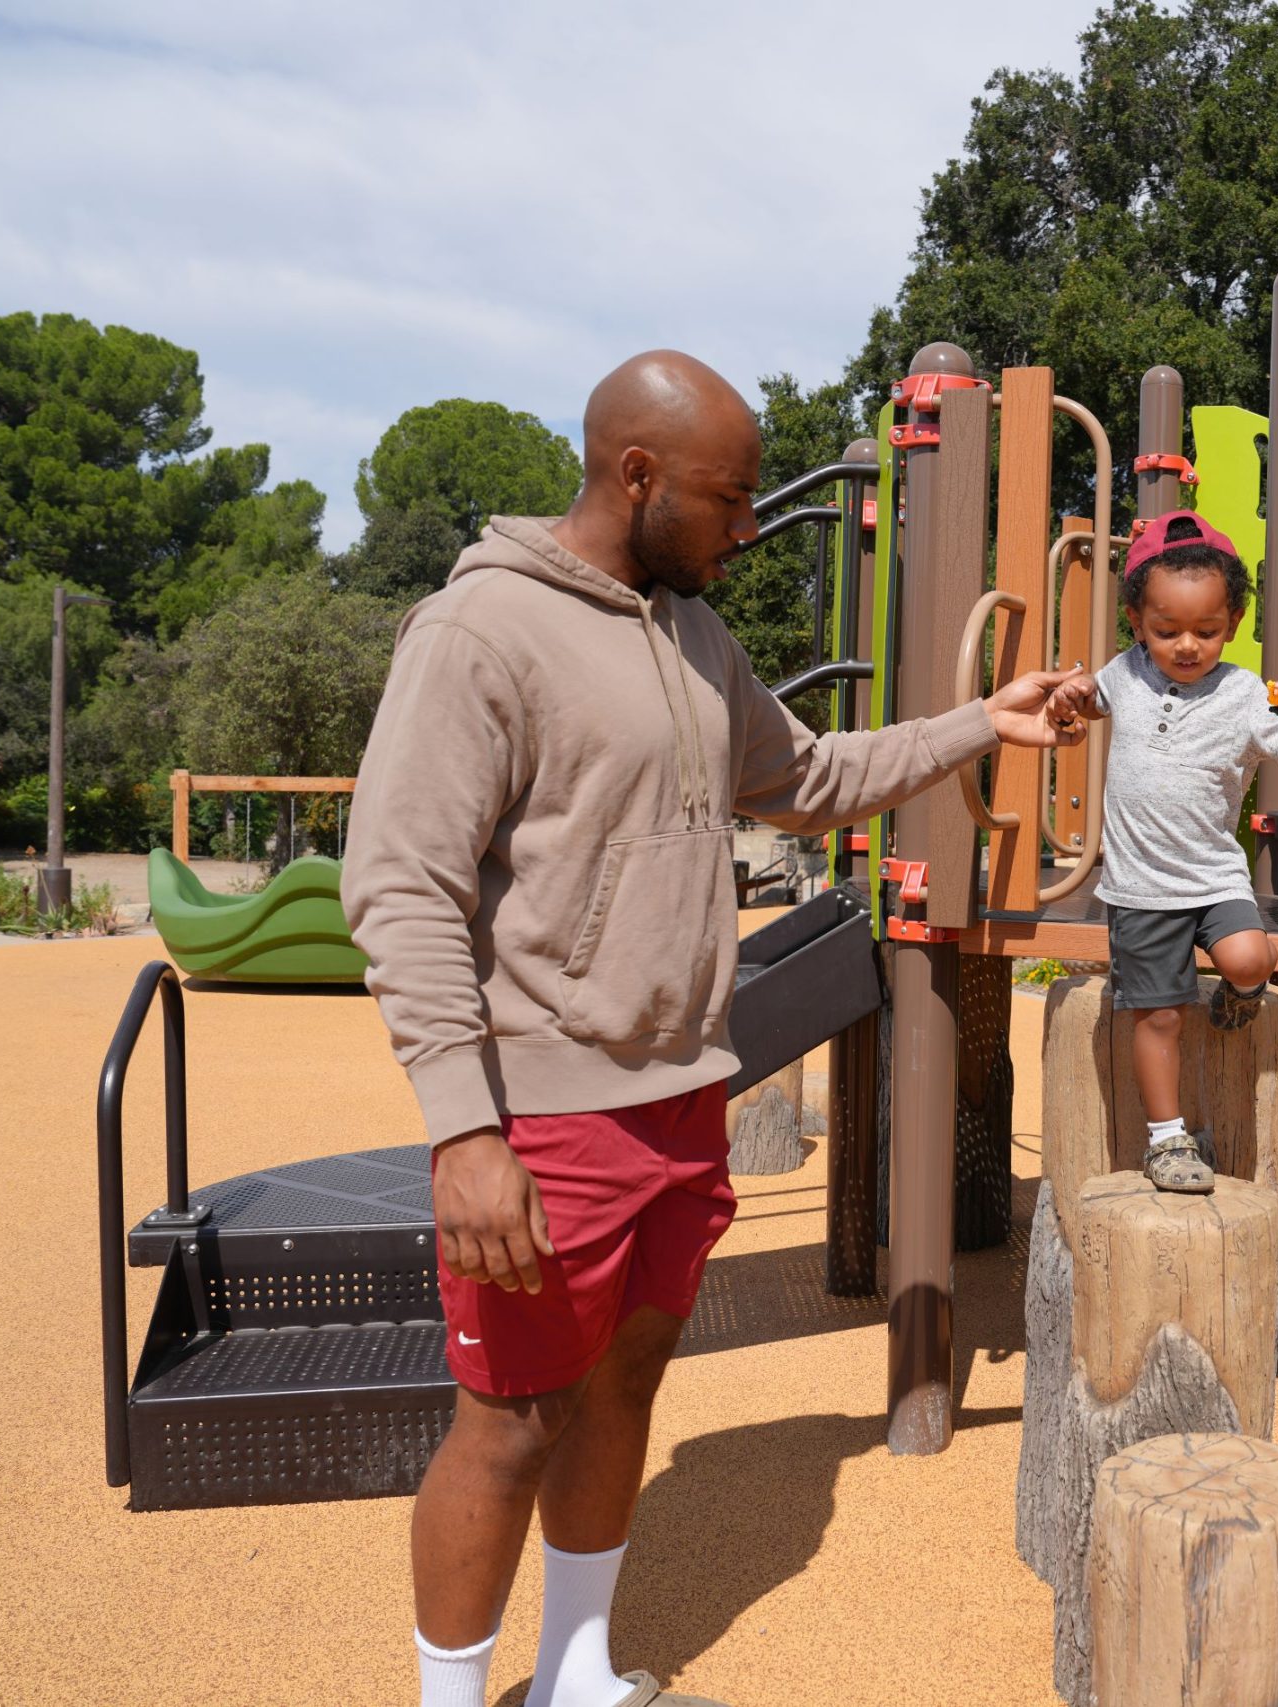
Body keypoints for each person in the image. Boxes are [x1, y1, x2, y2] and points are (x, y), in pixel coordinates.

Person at [343, 350, 1079, 1707]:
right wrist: (462, 1128)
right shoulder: (480, 632)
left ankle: (574, 1669)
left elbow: (804, 776)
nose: (749, 525)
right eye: (728, 498)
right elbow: (400, 884)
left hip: (682, 1089)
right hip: (543, 1108)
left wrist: (985, 720)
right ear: (636, 474)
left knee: (627, 1377)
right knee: (509, 1421)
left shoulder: (690, 634)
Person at [1042, 510, 1278, 1193]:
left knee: (1253, 957)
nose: (1188, 644)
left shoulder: (1244, 693)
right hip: (1140, 885)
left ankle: (1239, 996)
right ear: (1138, 621)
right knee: (1159, 1013)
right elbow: (1086, 704)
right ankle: (1167, 1140)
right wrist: (1071, 698)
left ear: (1233, 620)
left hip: (1213, 875)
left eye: (1207, 629)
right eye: (1168, 630)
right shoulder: (1126, 672)